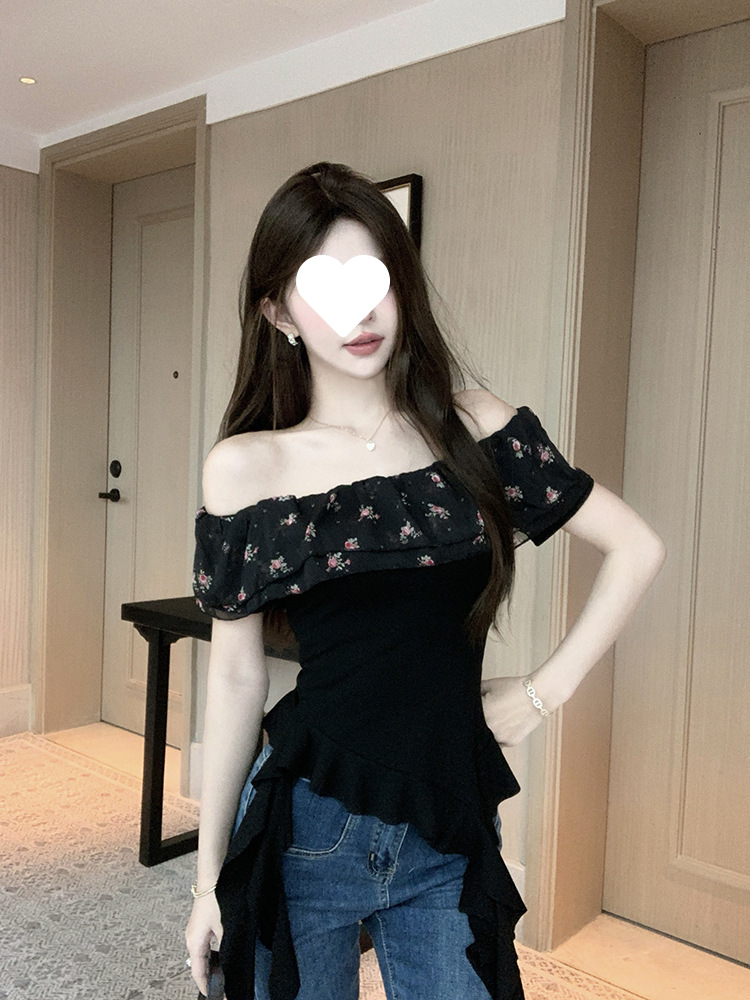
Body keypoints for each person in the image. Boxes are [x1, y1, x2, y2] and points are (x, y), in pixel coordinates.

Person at [184, 161, 665, 1000]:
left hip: (448, 821)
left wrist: (541, 695)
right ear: (278, 313)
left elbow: (636, 547)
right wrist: (206, 882)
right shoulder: (246, 467)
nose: (358, 313)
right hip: (309, 828)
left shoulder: (476, 426)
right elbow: (234, 677)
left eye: (373, 280)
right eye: (323, 289)